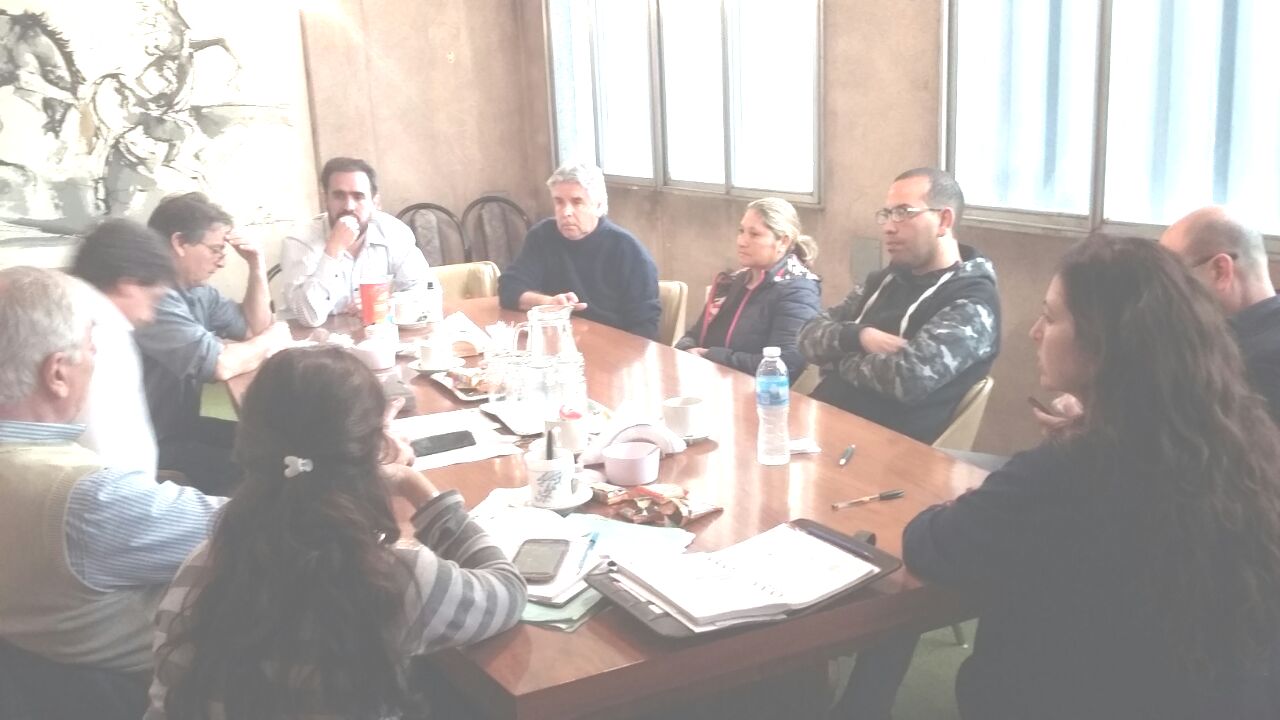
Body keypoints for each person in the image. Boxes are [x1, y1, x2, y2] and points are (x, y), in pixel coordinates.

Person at [903, 236, 1280, 719]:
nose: (1035, 332)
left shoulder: (1070, 471)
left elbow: (929, 543)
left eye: (1052, 316)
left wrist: (964, 504)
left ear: (1107, 342)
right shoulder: (1241, 444)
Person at [145, 346, 526, 719]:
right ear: (374, 451)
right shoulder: (392, 579)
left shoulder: (200, 568)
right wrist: (416, 486)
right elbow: (507, 591)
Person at [0, 267, 224, 711]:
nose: (97, 361)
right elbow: (267, 523)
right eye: (89, 349)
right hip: (157, 690)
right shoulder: (90, 499)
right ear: (58, 374)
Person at [798, 168, 1000, 443]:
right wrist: (858, 336)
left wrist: (836, 360)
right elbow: (806, 336)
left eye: (904, 212)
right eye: (887, 213)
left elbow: (907, 379)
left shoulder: (971, 301)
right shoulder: (883, 281)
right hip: (823, 426)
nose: (889, 226)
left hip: (887, 453)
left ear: (943, 220)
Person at [134, 192, 292, 495]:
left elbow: (253, 328)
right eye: (215, 250)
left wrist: (256, 266)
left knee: (271, 444)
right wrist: (272, 338)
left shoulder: (197, 293)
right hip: (155, 440)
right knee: (266, 469)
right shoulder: (152, 298)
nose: (221, 261)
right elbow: (219, 364)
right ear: (179, 243)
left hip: (184, 423)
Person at [498, 161, 661, 339]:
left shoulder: (627, 250)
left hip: (610, 347)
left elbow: (646, 327)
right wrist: (547, 302)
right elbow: (509, 289)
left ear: (597, 205)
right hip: (558, 342)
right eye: (559, 202)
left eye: (577, 202)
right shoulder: (542, 236)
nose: (566, 212)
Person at [69, 218, 176, 474]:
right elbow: (110, 450)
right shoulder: (102, 340)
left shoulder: (72, 315)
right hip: (117, 498)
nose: (150, 316)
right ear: (128, 284)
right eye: (154, 298)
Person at [676, 197, 821, 381]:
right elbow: (694, 335)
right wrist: (687, 349)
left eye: (754, 234)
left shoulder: (798, 290)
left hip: (760, 395)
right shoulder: (733, 281)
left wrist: (711, 357)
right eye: (741, 231)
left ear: (783, 241)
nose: (742, 241)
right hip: (712, 382)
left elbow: (786, 363)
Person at [279, 156, 434, 327]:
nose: (349, 206)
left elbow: (429, 293)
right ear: (325, 200)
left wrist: (385, 305)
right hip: (310, 345)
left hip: (373, 337)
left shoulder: (394, 232)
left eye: (358, 197)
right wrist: (333, 250)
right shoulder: (299, 240)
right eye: (339, 196)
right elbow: (308, 317)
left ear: (375, 202)